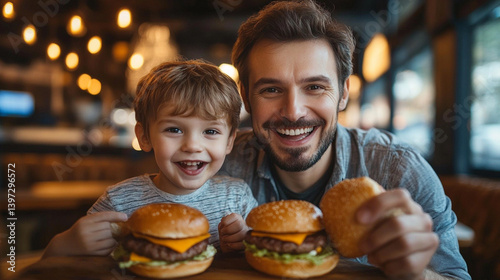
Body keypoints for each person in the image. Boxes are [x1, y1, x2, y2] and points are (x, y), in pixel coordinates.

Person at [219, 0, 471, 279]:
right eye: (271, 89)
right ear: (245, 96)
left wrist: (417, 275)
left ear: (343, 93)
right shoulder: (216, 163)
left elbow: (454, 275)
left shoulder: (398, 170)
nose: (293, 112)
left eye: (314, 87)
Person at [43, 60, 258, 258]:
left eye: (210, 132)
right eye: (174, 129)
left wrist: (245, 239)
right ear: (144, 137)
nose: (192, 146)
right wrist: (67, 243)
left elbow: (262, 251)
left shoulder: (237, 198)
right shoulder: (118, 202)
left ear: (229, 141)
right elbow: (49, 267)